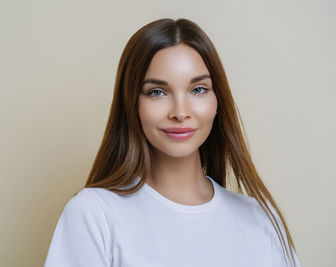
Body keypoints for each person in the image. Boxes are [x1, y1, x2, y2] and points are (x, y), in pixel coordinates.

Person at [44, 18, 301, 267]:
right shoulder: (94, 215)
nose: (180, 112)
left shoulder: (261, 219)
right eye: (157, 92)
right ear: (133, 103)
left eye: (198, 89)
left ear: (217, 100)